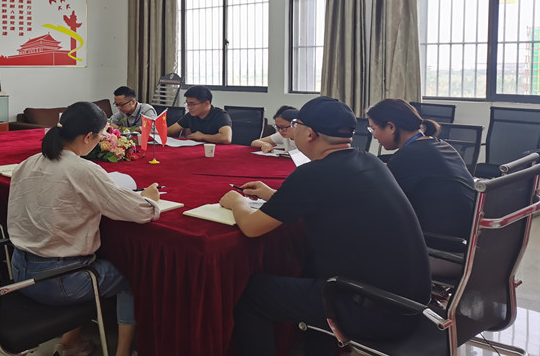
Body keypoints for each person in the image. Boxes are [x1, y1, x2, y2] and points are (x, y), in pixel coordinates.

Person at [219, 96, 431, 355]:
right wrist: (274, 195)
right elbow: (328, 201)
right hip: (411, 304)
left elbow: (252, 227)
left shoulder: (314, 173)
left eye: (295, 125)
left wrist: (237, 202)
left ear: (310, 133)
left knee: (250, 293)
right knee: (306, 269)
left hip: (374, 310)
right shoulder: (369, 161)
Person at [8, 102, 160, 356]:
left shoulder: (28, 163)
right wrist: (149, 198)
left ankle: (71, 344)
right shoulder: (83, 170)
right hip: (59, 281)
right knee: (132, 273)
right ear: (88, 137)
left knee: (90, 260)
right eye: (100, 136)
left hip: (19, 271)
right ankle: (122, 352)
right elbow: (140, 212)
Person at [367, 99, 476, 258]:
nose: (374, 136)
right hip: (470, 243)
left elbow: (380, 205)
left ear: (391, 127)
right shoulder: (442, 146)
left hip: (443, 248)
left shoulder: (407, 157)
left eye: (373, 129)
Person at [166, 85, 232, 144]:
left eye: (192, 104)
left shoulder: (221, 115)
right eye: (187, 104)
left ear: (206, 103)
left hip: (217, 150)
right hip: (198, 149)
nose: (189, 108)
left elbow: (226, 138)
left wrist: (202, 136)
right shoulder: (190, 115)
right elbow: (169, 131)